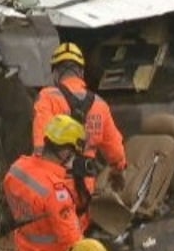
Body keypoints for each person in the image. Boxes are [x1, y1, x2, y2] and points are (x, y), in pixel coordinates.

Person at [32, 42, 127, 231]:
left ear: (56, 73)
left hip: (53, 190)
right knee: (76, 240)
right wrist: (119, 169)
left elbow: (39, 147)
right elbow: (115, 151)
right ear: (81, 73)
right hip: (84, 191)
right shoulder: (100, 105)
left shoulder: (48, 97)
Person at [5, 114, 86, 251]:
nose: (74, 158)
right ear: (64, 151)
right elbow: (74, 243)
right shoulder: (56, 193)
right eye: (73, 153)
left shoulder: (16, 169)